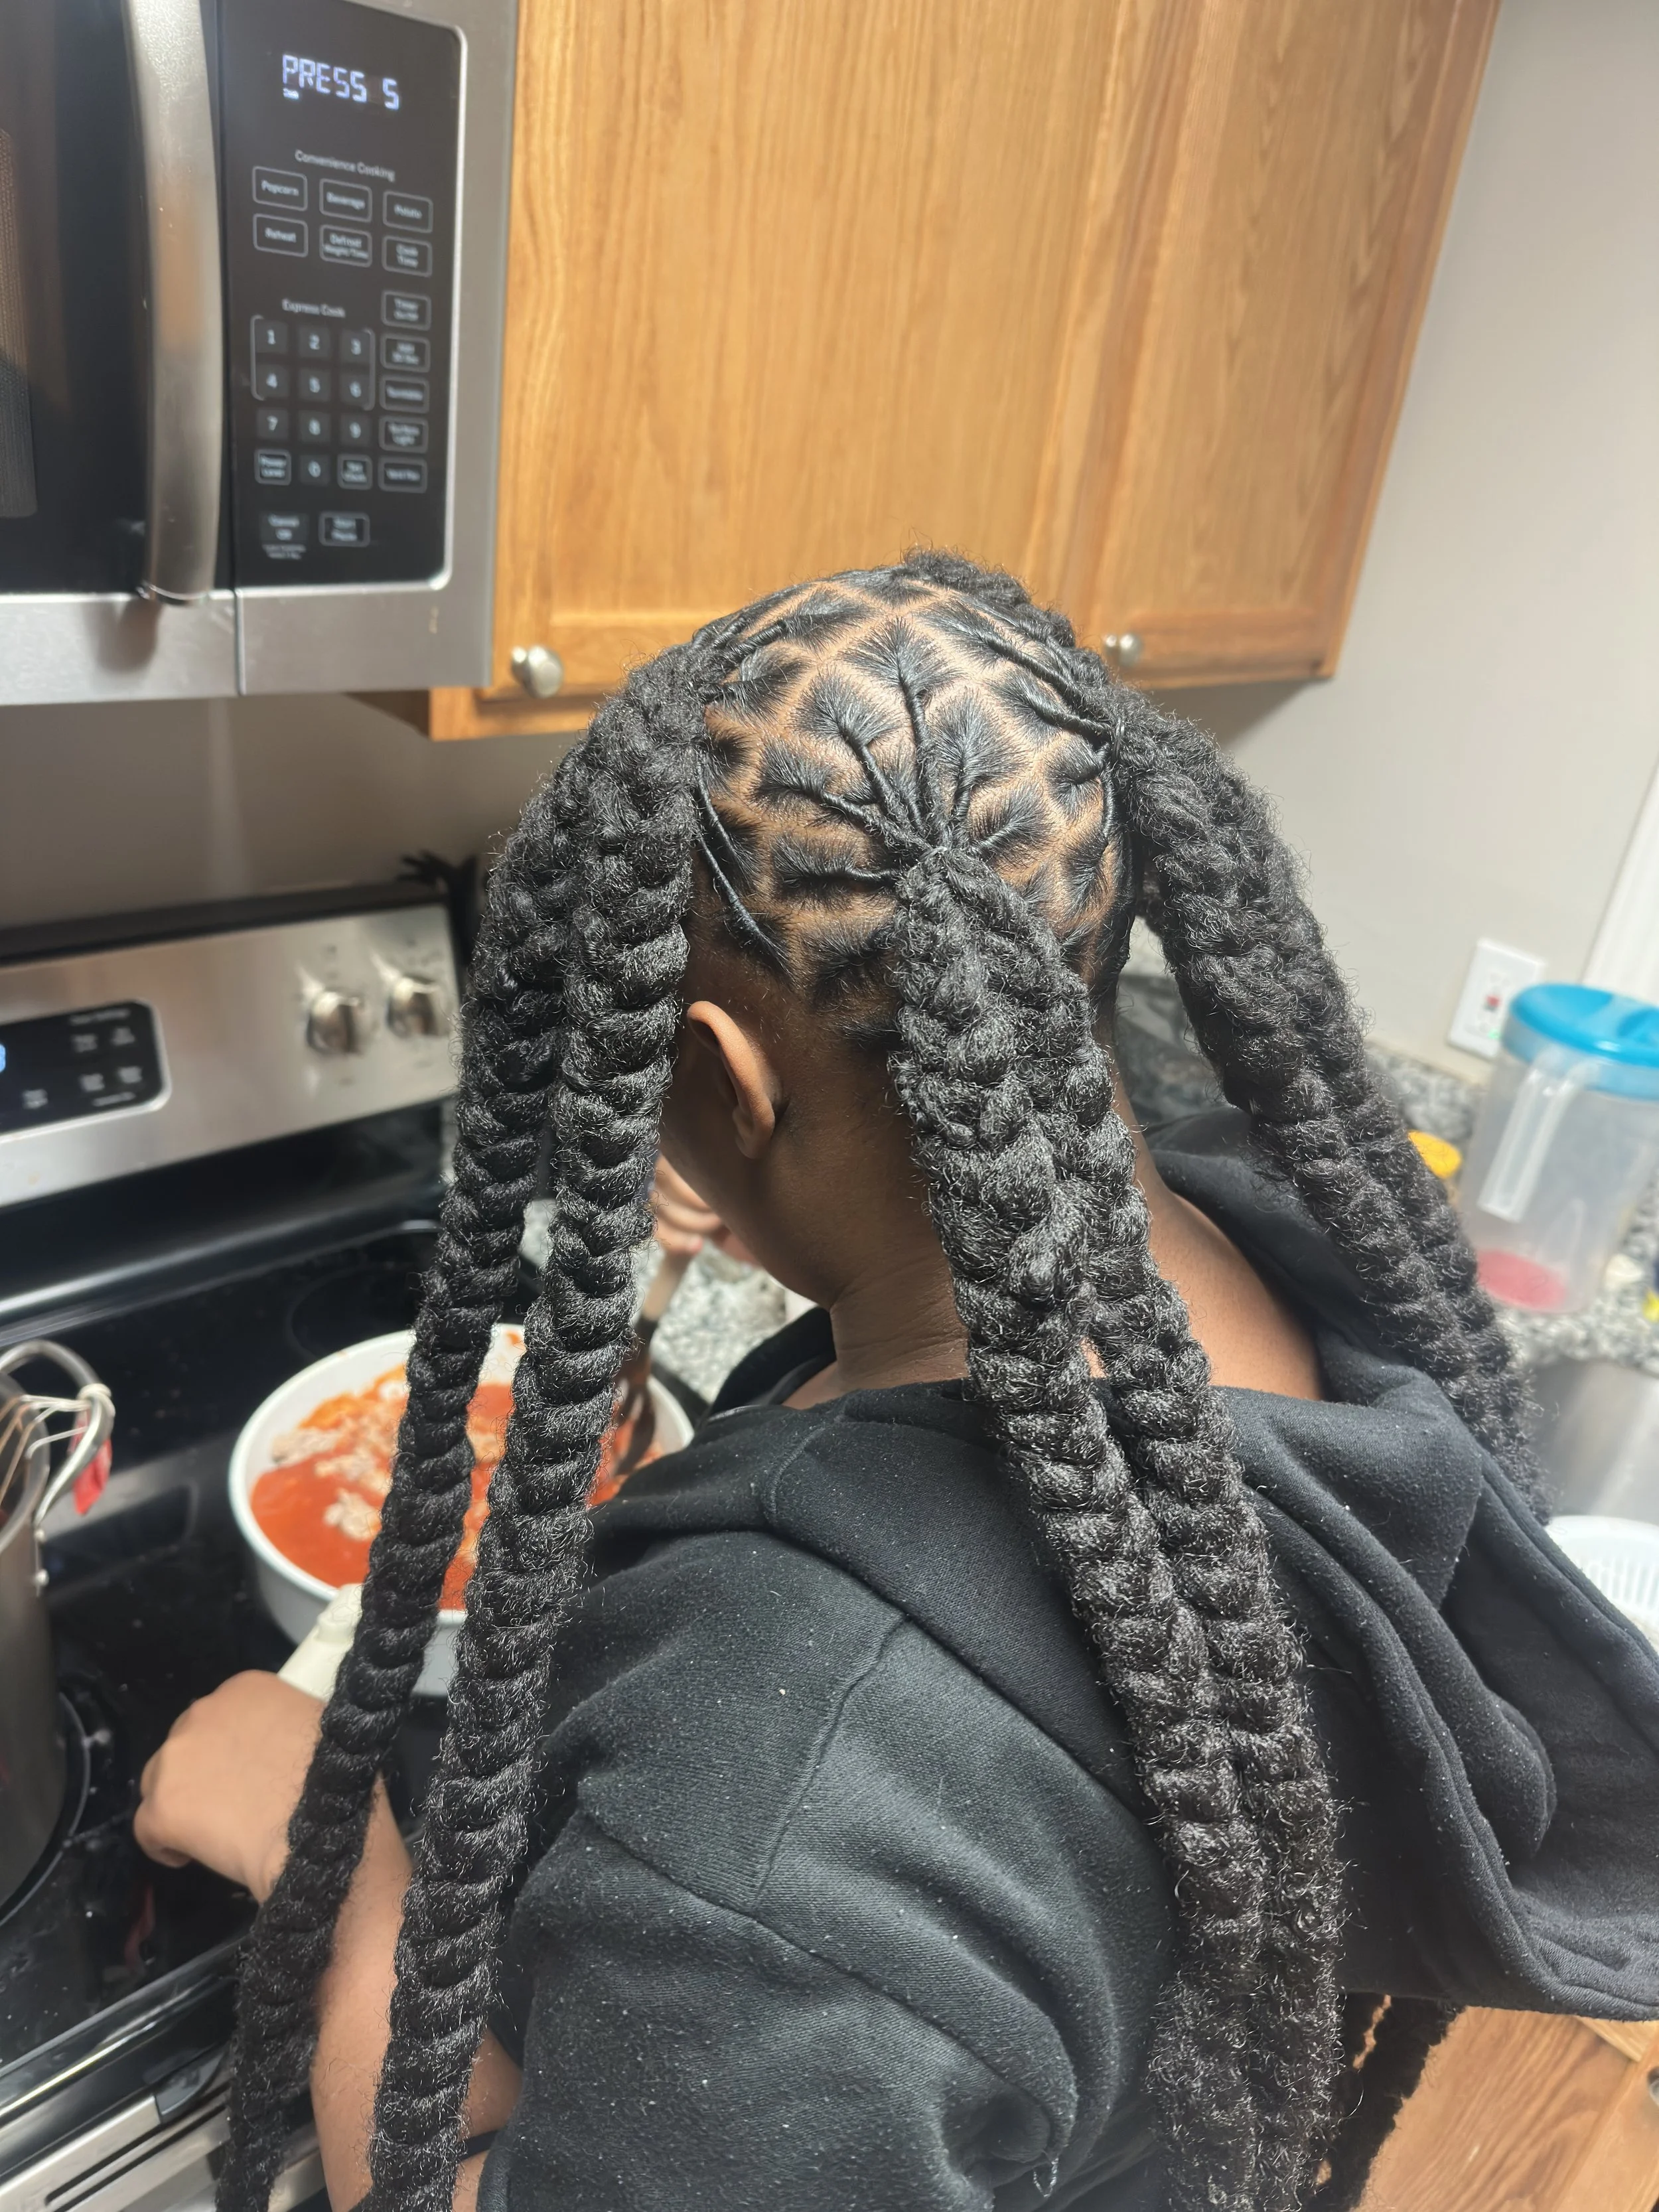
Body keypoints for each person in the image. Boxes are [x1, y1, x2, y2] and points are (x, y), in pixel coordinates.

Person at [135, 555, 1659, 2212]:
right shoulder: (1249, 1263)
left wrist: (349, 1885)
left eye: (648, 1077)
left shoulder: (780, 1827)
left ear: (725, 1081)